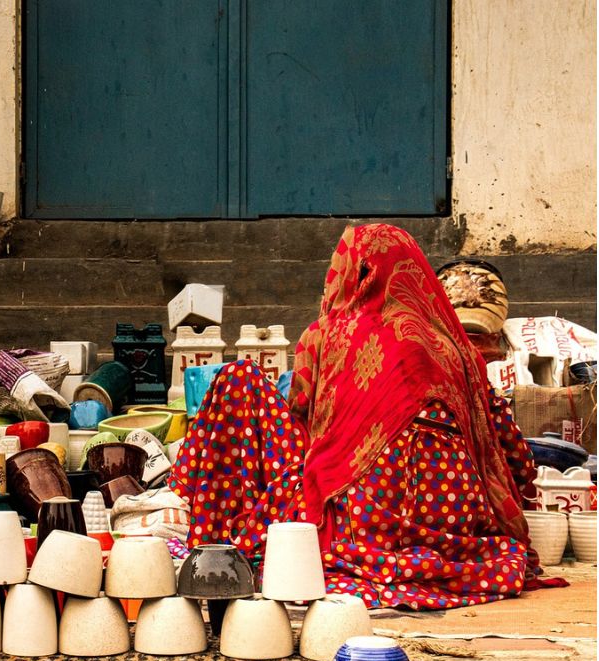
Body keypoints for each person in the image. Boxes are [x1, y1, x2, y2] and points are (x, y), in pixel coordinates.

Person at [169, 223, 556, 610]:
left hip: (359, 522)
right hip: (458, 527)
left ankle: (205, 531)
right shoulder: (459, 348)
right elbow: (513, 453)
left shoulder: (326, 334)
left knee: (239, 379)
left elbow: (303, 421)